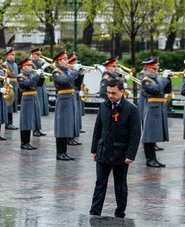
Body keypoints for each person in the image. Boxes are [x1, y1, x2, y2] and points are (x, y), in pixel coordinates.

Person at [89, 79, 141, 218]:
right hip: (103, 150)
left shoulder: (131, 109)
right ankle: (95, 212)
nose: (110, 96)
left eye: (114, 93)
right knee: (100, 183)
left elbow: (135, 134)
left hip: (120, 153)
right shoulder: (104, 106)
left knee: (120, 185)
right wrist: (94, 149)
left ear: (122, 92)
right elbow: (97, 129)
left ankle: (120, 212)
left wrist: (130, 154)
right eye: (108, 93)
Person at [140, 57, 172, 167]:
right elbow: (157, 89)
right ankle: (149, 159)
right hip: (151, 108)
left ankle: (154, 159)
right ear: (148, 68)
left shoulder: (157, 78)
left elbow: (166, 90)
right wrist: (164, 78)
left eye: (156, 68)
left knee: (153, 135)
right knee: (149, 135)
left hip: (159, 108)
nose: (156, 70)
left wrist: (169, 80)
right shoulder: (146, 80)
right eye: (153, 68)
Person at [51, 51, 79, 160]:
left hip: (70, 100)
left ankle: (64, 152)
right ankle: (59, 153)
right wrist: (75, 71)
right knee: (61, 127)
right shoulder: (56, 72)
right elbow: (65, 81)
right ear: (58, 61)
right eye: (64, 59)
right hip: (63, 101)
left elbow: (76, 84)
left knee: (67, 126)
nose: (67, 61)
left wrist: (80, 74)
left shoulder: (68, 71)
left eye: (67, 59)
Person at [17, 57, 42, 150]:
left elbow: (38, 84)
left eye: (31, 65)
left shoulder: (32, 74)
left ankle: (28, 142)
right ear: (23, 67)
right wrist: (37, 75)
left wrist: (41, 77)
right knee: (26, 121)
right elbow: (27, 84)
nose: (30, 66)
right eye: (28, 65)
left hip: (33, 98)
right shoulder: (20, 76)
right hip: (27, 99)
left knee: (31, 120)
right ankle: (24, 143)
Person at [30, 48, 49, 137]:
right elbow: (33, 76)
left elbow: (46, 75)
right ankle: (35, 129)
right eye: (37, 54)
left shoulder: (38, 62)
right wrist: (42, 67)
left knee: (40, 108)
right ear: (33, 54)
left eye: (40, 54)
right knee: (36, 109)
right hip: (36, 87)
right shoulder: (31, 63)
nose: (39, 56)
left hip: (41, 86)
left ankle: (38, 129)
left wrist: (46, 66)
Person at [67, 53, 84, 145]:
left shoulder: (73, 72)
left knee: (74, 117)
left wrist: (81, 75)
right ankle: (69, 138)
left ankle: (72, 137)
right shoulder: (69, 72)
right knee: (70, 118)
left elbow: (77, 84)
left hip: (73, 96)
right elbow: (68, 83)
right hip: (69, 96)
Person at [2, 48, 19, 130]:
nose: (13, 56)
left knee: (12, 105)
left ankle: (10, 123)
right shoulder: (5, 64)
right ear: (7, 55)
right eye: (12, 55)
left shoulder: (15, 64)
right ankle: (7, 123)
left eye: (14, 55)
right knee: (8, 105)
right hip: (8, 86)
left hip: (14, 85)